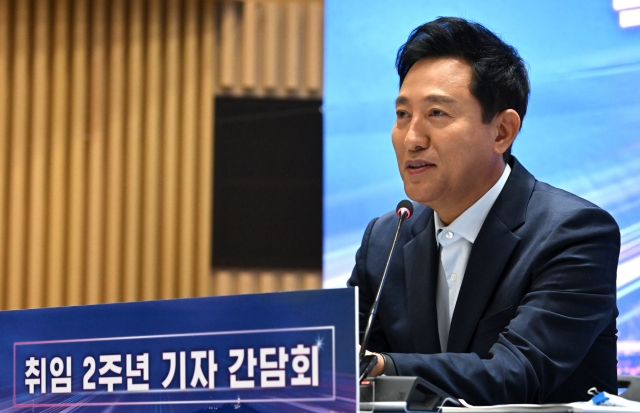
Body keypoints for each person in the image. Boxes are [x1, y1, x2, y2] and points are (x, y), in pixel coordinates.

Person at [348, 17, 620, 405]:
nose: (412, 138)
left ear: (502, 132)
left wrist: (382, 367)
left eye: (437, 114)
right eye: (403, 115)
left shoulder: (574, 233)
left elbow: (518, 372)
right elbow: (342, 363)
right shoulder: (385, 239)